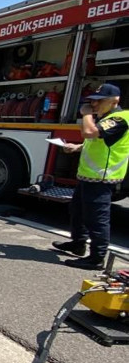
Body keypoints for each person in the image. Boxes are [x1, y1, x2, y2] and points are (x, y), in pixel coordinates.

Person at [52, 84, 128, 270]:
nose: (94, 104)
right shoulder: (105, 117)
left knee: (97, 218)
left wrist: (85, 114)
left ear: (115, 101)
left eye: (99, 101)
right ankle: (78, 244)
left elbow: (89, 132)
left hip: (102, 178)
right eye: (93, 101)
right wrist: (76, 147)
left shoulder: (120, 118)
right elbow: (96, 142)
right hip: (88, 176)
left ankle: (96, 258)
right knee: (77, 211)